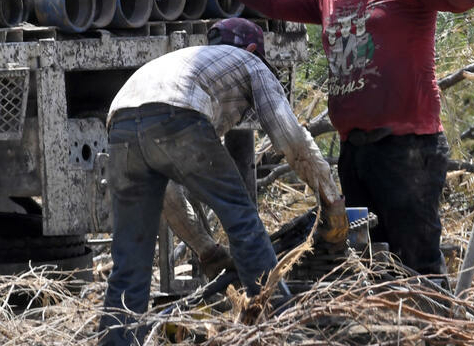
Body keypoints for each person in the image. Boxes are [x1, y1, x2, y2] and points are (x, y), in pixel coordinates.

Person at [170, 0, 474, 276]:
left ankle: (435, 330)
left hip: (407, 149)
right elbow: (275, 0)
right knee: (367, 265)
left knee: (417, 262)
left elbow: (465, 0)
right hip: (355, 151)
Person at [99, 18, 347, 345]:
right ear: (254, 49)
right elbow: (291, 139)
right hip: (177, 113)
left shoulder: (190, 64)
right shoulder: (250, 62)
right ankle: (280, 328)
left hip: (120, 121)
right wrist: (331, 200)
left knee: (130, 257)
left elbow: (166, 196)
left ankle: (117, 341)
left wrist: (207, 250)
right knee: (242, 218)